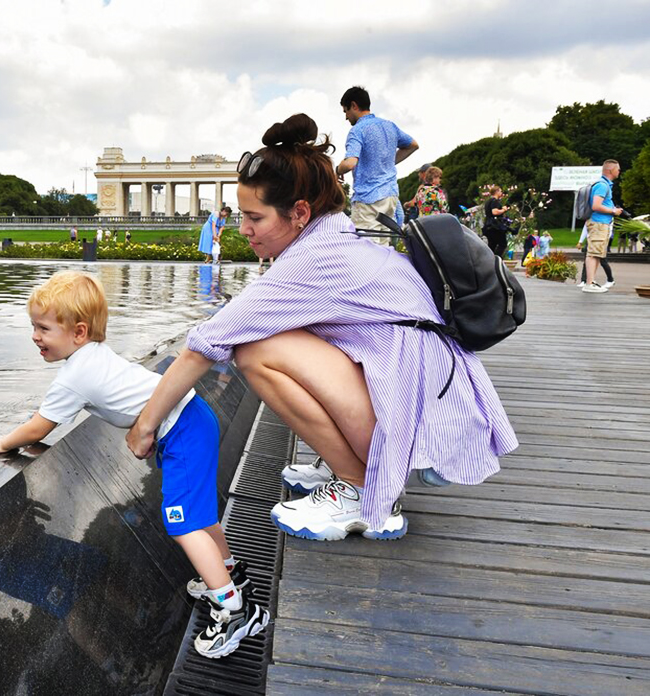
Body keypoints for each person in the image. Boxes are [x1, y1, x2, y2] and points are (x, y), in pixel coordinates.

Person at [127, 113, 517, 546]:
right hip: (433, 413)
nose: (244, 229)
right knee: (274, 334)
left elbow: (204, 345)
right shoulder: (336, 239)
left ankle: (361, 489)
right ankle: (351, 466)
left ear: (299, 212)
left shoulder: (312, 262)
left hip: (420, 427)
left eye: (254, 217)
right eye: (241, 216)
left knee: (253, 352)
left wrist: (146, 424)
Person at [0, 271, 269, 659]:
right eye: (34, 326)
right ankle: (228, 573)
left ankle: (234, 611)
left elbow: (39, 426)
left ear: (79, 332)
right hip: (192, 418)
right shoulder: (94, 354)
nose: (35, 336)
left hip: (182, 432)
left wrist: (1, 443)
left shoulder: (74, 376)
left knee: (182, 522)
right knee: (201, 517)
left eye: (43, 328)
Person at [335, 86, 418, 243]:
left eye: (345, 111)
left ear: (354, 105)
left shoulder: (358, 130)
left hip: (368, 199)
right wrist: (387, 162)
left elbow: (350, 163)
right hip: (390, 196)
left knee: (366, 251)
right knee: (384, 248)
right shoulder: (389, 126)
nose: (346, 117)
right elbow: (413, 145)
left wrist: (337, 170)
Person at [581, 160, 624, 294]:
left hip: (601, 223)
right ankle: (589, 283)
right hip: (598, 223)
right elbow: (596, 206)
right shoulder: (602, 186)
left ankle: (591, 281)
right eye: (618, 169)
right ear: (610, 171)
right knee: (593, 253)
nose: (619, 172)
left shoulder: (604, 185)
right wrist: (613, 211)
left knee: (597, 253)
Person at [577, 224, 615, 288]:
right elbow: (586, 227)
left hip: (601, 239)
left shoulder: (606, 216)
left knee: (602, 260)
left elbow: (609, 229)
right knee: (588, 260)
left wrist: (605, 240)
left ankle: (610, 279)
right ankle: (585, 280)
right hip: (591, 238)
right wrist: (580, 241)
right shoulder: (592, 216)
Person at [482, 186, 509, 257]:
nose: (501, 193)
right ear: (496, 192)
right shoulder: (495, 201)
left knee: (492, 245)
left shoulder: (488, 201)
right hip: (495, 226)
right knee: (502, 244)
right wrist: (504, 210)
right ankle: (496, 260)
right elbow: (495, 212)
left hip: (488, 225)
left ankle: (488, 259)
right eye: (500, 191)